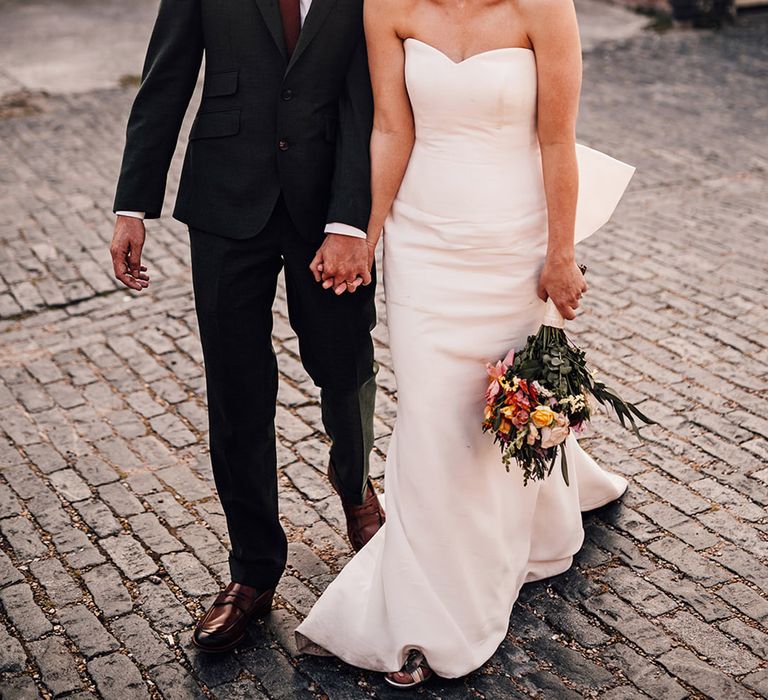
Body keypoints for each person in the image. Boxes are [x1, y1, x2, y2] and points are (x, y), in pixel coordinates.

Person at [296, 0, 630, 686]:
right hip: (425, 244)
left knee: (493, 419)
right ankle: (424, 611)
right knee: (430, 418)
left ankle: (514, 536)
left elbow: (557, 140)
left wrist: (560, 255)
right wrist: (368, 233)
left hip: (512, 242)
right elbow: (391, 127)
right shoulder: (388, 7)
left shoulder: (544, 7)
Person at [109, 0, 385, 653]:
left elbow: (371, 95)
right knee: (236, 389)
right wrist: (132, 204)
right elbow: (167, 74)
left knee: (344, 366)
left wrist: (351, 221)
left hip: (326, 204)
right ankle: (253, 571)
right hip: (225, 198)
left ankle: (354, 483)